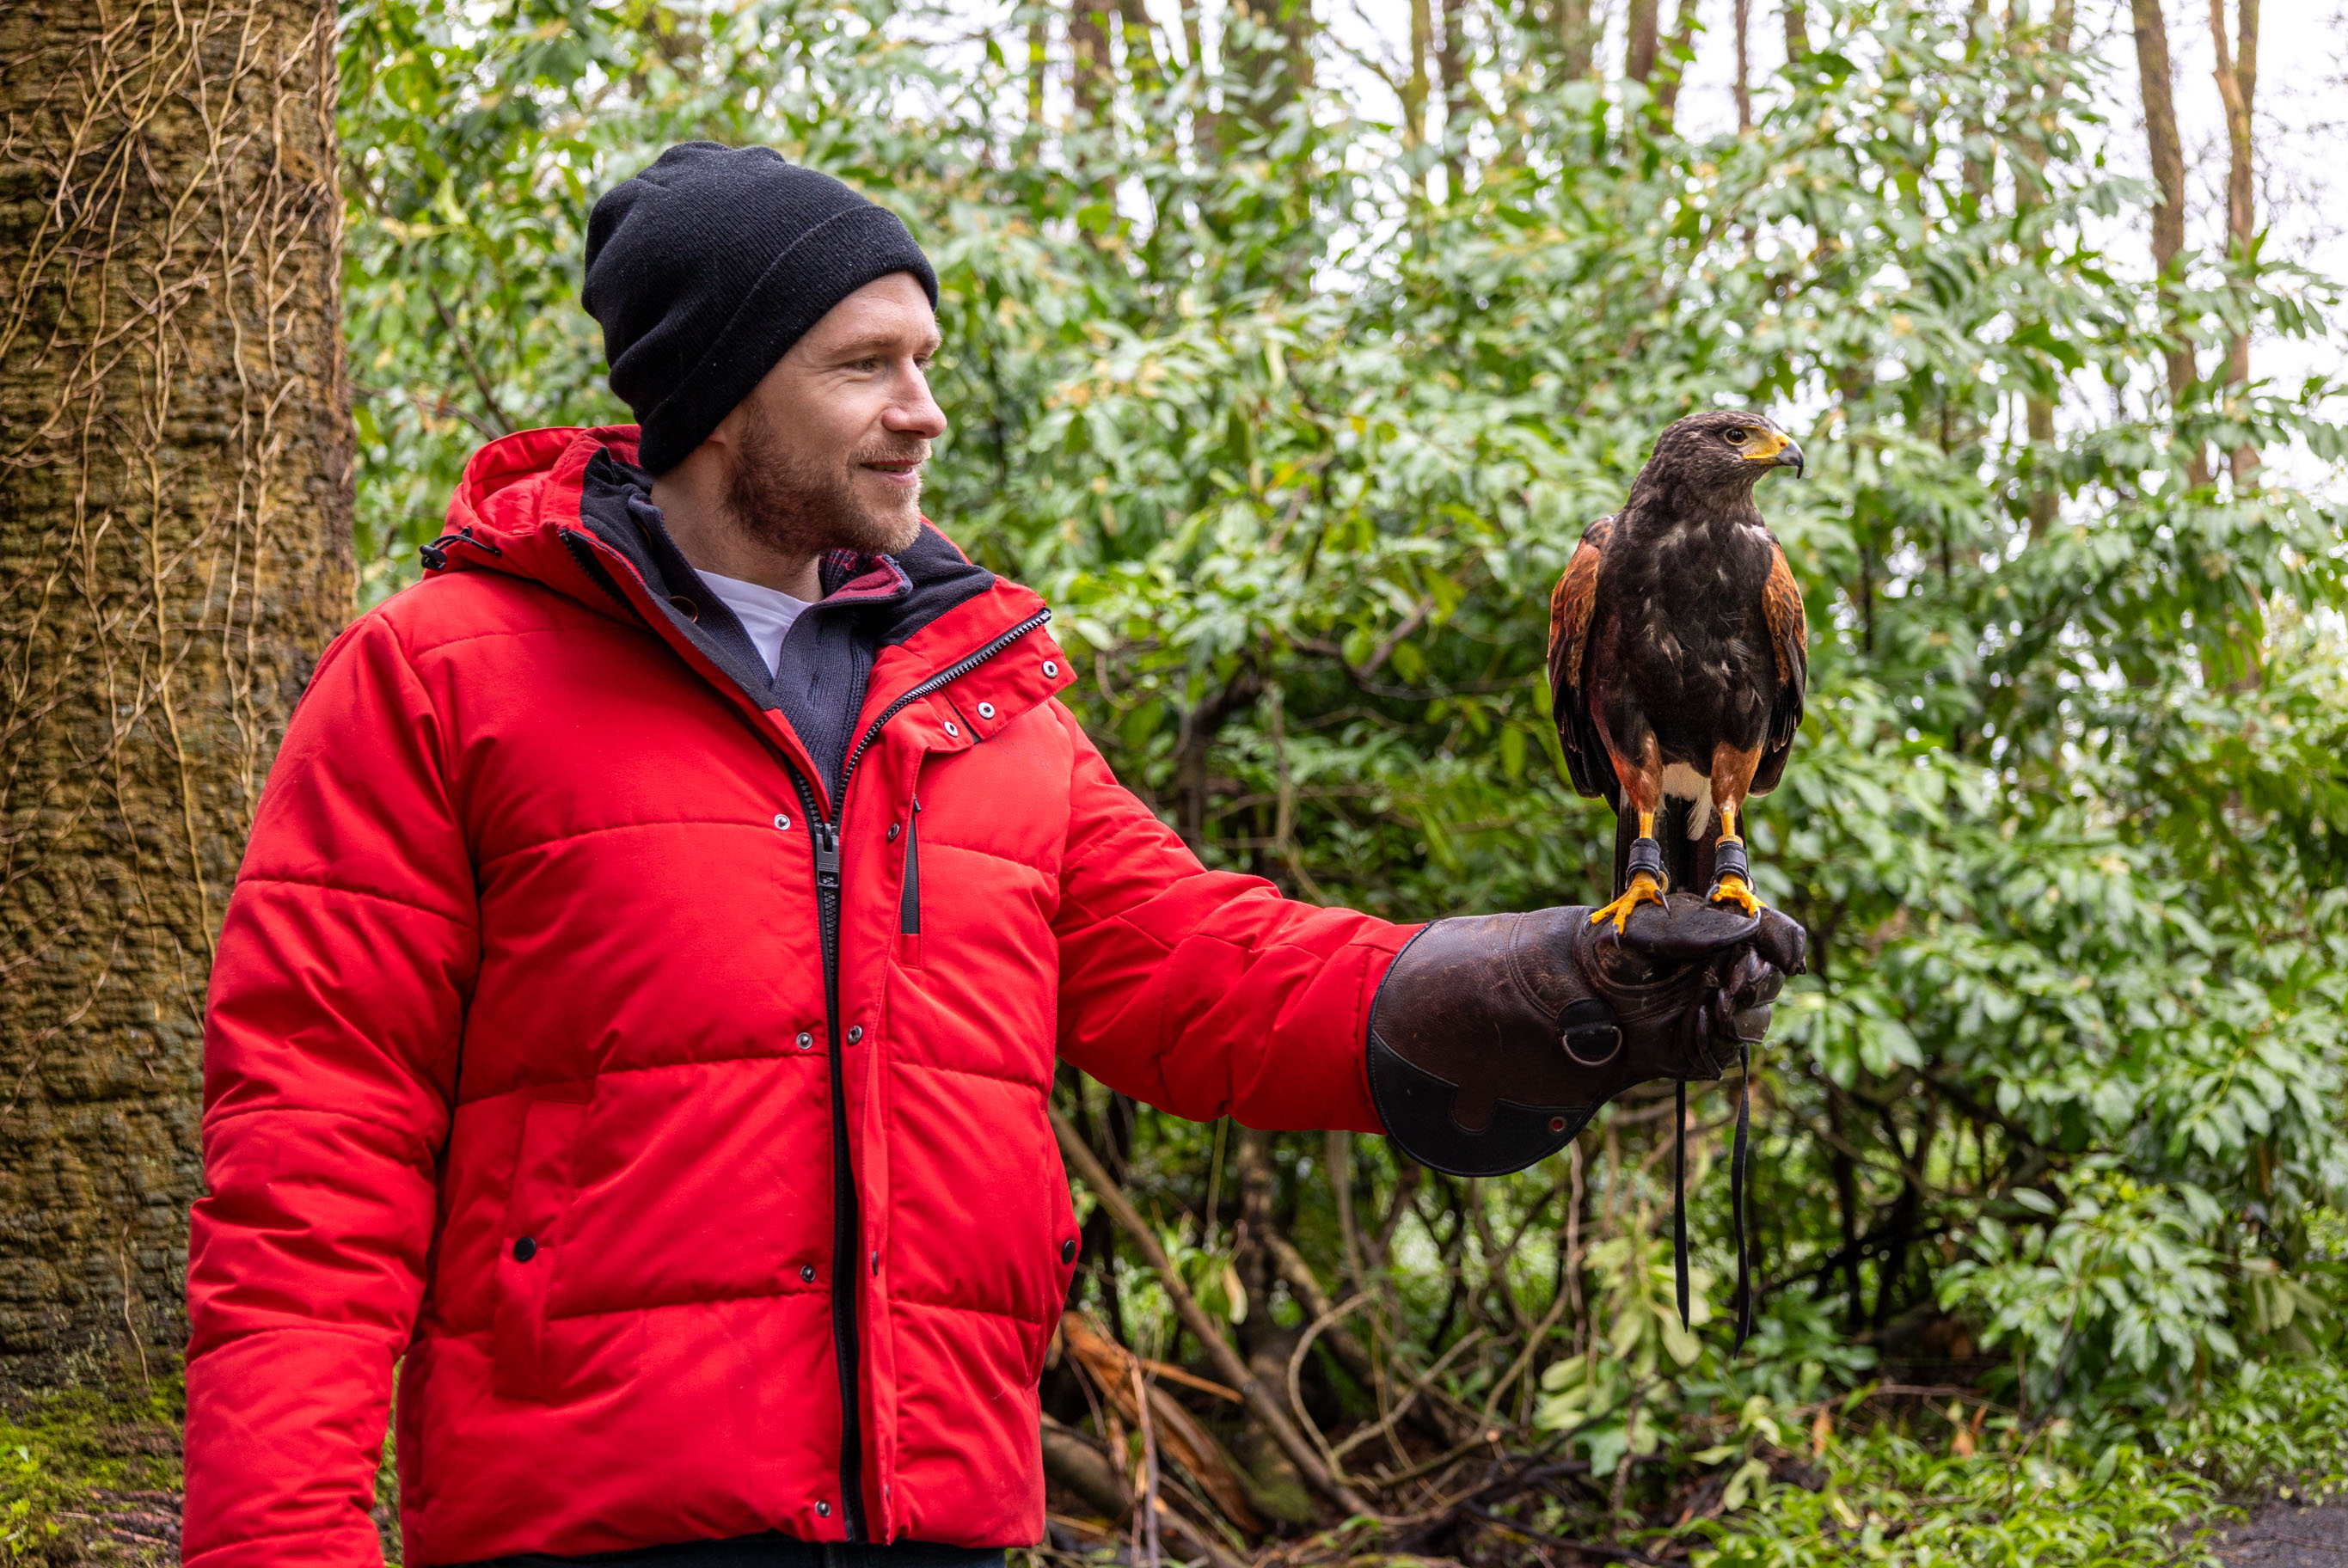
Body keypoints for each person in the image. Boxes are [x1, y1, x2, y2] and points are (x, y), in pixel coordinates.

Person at [182, 143, 1804, 1568]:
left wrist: (1546, 988)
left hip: (945, 1510)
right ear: (722, 394)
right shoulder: (442, 675)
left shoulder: (974, 694)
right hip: (599, 1523)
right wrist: (277, 1546)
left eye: (928, 358)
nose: (925, 411)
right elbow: (311, 1156)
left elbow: (1198, 971)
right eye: (866, 366)